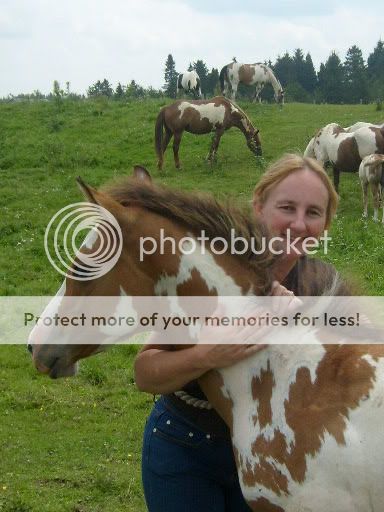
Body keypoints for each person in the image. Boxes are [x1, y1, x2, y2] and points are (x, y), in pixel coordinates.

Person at [134, 154, 343, 512]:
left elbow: (346, 378)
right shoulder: (213, 274)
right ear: (259, 206)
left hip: (275, 453)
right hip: (187, 445)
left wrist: (302, 324)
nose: (298, 223)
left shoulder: (322, 286)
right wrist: (209, 354)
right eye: (287, 207)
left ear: (325, 223)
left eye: (313, 212)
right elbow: (145, 372)